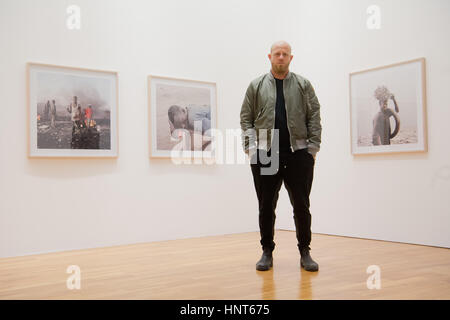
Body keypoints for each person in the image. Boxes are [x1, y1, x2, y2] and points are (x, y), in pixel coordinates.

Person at [240, 41, 322, 272]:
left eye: (285, 54)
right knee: (266, 206)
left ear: (291, 58)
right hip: (266, 154)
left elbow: (314, 115)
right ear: (270, 56)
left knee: (301, 206)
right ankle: (267, 252)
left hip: (298, 154)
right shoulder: (255, 86)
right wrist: (251, 148)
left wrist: (312, 148)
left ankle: (305, 252)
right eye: (277, 53)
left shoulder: (303, 85)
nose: (281, 57)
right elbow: (246, 118)